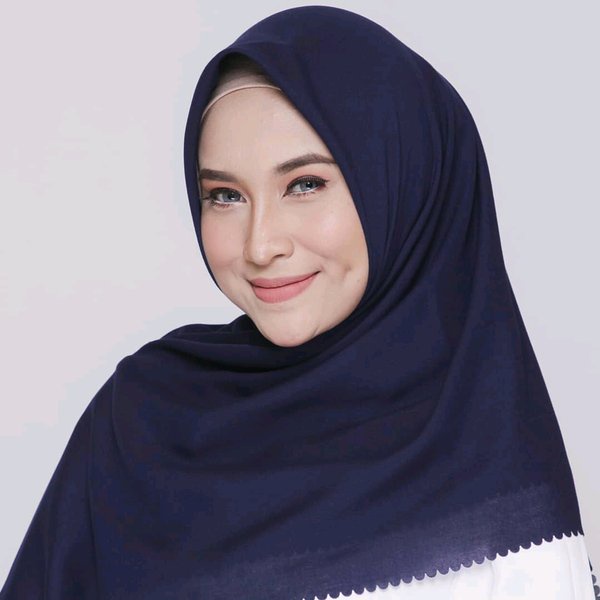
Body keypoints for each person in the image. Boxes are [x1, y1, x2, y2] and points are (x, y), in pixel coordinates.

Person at [1, 6, 598, 599]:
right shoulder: (139, 425)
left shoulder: (499, 474)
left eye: (305, 185)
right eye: (225, 195)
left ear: (405, 182)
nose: (260, 245)